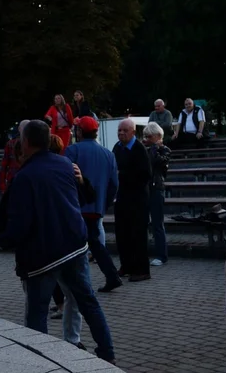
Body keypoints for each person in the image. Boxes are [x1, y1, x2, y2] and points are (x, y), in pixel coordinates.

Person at [0, 120, 115, 363]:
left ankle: (41, 364)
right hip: (75, 247)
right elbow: (83, 198)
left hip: (42, 255)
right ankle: (107, 353)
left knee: (37, 312)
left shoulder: (25, 176)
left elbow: (18, 223)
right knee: (88, 302)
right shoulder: (65, 164)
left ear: (26, 142)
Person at [66, 116, 122, 292]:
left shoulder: (72, 150)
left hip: (75, 207)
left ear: (80, 131)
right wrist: (103, 205)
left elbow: (65, 179)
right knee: (96, 244)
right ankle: (112, 276)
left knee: (73, 248)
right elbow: (114, 184)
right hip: (95, 208)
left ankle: (77, 287)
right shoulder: (108, 154)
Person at [113, 118, 152, 281]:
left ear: (133, 132)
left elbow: (145, 175)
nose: (121, 133)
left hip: (137, 199)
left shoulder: (139, 149)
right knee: (122, 234)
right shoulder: (117, 148)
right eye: (119, 130)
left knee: (138, 235)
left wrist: (122, 176)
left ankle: (142, 270)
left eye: (125, 131)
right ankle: (126, 265)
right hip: (122, 198)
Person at [144, 122, 171, 267]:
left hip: (156, 188)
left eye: (149, 136)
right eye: (145, 136)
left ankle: (162, 255)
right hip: (145, 188)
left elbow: (158, 163)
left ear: (158, 136)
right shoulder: (145, 149)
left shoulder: (164, 150)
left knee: (157, 224)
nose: (146, 139)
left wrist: (154, 147)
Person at [0, 120, 29, 194]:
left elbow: (3, 166)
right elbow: (4, 166)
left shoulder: (11, 144)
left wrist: (2, 185)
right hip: (15, 179)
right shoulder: (10, 144)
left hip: (16, 179)